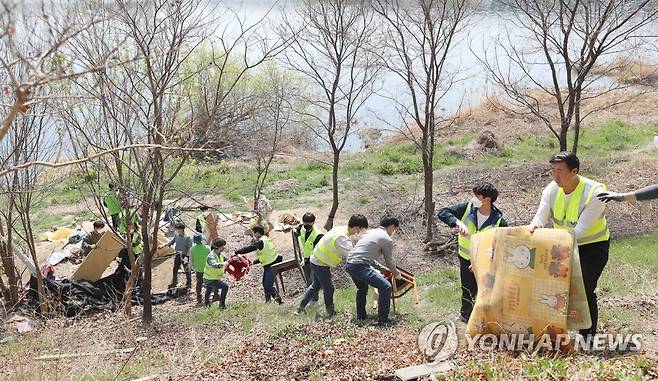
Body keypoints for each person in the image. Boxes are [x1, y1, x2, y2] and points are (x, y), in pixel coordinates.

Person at [528, 151, 610, 337]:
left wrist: (551, 239)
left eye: (560, 171)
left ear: (574, 171)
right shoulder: (551, 189)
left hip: (591, 246)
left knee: (585, 288)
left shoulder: (595, 193)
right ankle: (558, 330)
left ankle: (588, 336)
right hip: (562, 245)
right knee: (557, 288)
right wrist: (535, 226)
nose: (555, 176)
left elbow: (580, 232)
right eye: (552, 170)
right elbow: (541, 215)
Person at [436, 182, 508, 322]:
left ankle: (485, 319)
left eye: (477, 196)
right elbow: (443, 212)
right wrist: (457, 222)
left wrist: (481, 262)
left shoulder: (499, 222)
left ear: (487, 200)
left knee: (484, 291)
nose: (473, 199)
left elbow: (500, 248)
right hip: (465, 258)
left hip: (485, 264)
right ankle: (465, 317)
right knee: (467, 290)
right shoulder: (467, 208)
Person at [296, 214, 368, 317]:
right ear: (357, 227)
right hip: (320, 263)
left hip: (315, 258)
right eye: (362, 229)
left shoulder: (340, 229)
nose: (361, 232)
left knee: (315, 285)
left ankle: (300, 308)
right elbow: (352, 257)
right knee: (329, 288)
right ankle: (331, 312)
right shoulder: (342, 238)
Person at [346, 216, 402, 326]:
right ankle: (383, 320)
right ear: (391, 226)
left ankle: (361, 316)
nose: (393, 232)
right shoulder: (386, 238)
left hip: (350, 264)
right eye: (394, 229)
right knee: (386, 286)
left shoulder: (371, 232)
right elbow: (390, 262)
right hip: (360, 266)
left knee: (362, 288)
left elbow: (367, 257)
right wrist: (397, 274)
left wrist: (382, 269)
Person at [234, 225, 283, 304]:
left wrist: (237, 252)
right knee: (265, 284)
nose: (254, 235)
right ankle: (268, 301)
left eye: (254, 233)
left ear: (257, 233)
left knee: (268, 286)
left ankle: (280, 302)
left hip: (272, 265)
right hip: (271, 263)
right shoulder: (266, 239)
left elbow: (250, 248)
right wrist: (253, 262)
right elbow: (266, 254)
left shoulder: (260, 241)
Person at [293, 213, 324, 302]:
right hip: (306, 259)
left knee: (313, 281)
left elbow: (317, 251)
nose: (306, 225)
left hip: (316, 260)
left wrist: (305, 259)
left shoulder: (318, 235)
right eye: (305, 223)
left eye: (309, 223)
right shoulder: (303, 227)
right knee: (308, 280)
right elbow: (298, 228)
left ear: (313, 222)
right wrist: (295, 231)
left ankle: (314, 300)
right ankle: (311, 298)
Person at [160, 222, 193, 289]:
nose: (176, 230)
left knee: (187, 269)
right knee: (175, 269)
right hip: (178, 254)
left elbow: (190, 248)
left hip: (185, 256)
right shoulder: (177, 235)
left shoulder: (187, 237)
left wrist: (187, 257)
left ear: (181, 229)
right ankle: (174, 282)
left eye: (177, 229)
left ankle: (189, 283)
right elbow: (172, 242)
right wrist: (164, 245)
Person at [204, 238, 230, 308]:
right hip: (210, 278)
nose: (223, 248)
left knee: (209, 289)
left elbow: (228, 260)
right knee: (225, 287)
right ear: (217, 247)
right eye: (222, 246)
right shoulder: (211, 256)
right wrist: (224, 264)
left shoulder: (220, 254)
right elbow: (214, 265)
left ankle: (206, 304)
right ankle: (222, 305)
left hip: (214, 277)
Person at [191, 234, 211, 304]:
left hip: (198, 269)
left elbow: (191, 259)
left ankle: (199, 297)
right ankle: (210, 296)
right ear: (201, 240)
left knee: (199, 283)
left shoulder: (192, 249)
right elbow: (210, 259)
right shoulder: (207, 248)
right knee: (209, 282)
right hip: (207, 268)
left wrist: (193, 268)